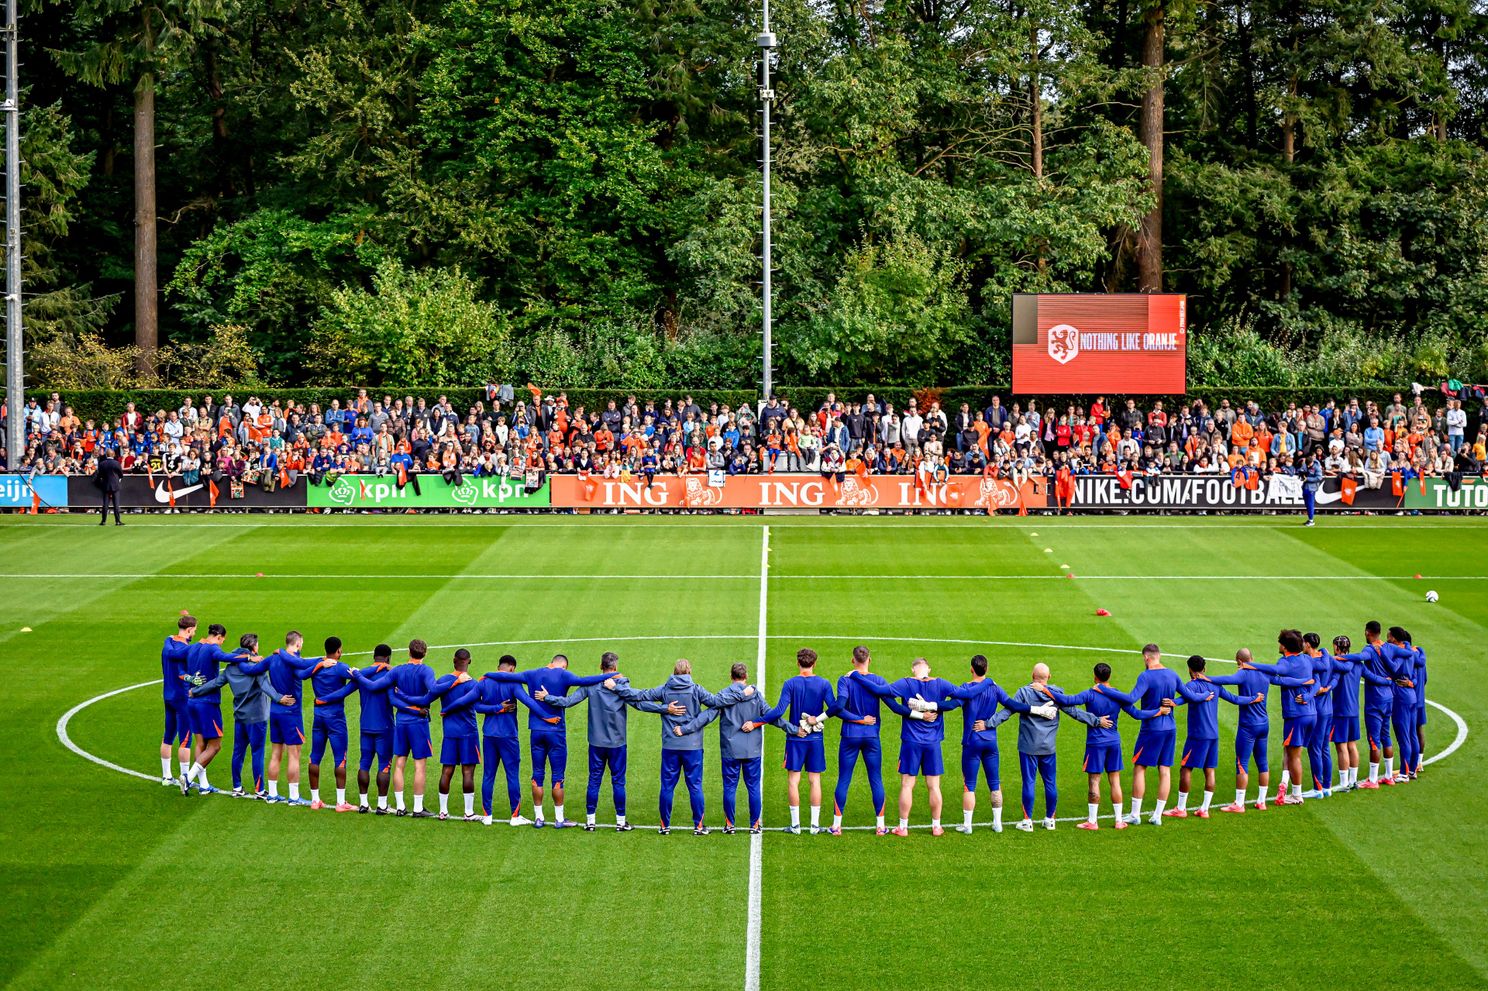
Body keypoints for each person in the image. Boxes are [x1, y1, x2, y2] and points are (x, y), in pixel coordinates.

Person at [852, 658, 1046, 836]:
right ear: (929, 668)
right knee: (935, 786)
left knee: (907, 785)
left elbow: (879, 691)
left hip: (911, 742)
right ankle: (937, 826)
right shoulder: (941, 683)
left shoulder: (905, 683)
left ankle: (903, 827)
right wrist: (987, 682)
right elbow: (965, 695)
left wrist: (855, 675)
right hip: (934, 742)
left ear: (913, 669)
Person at [537, 651, 678, 831]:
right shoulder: (621, 685)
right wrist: (666, 709)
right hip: (617, 744)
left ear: (600, 666)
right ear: (615, 667)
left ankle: (590, 822)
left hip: (596, 743)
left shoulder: (591, 684)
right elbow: (640, 704)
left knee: (594, 780)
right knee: (618, 782)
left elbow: (567, 702)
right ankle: (620, 822)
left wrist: (547, 697)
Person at [483, 653, 614, 828]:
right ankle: (559, 819)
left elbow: (506, 675)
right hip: (556, 731)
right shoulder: (564, 674)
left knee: (537, 774)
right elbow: (585, 681)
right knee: (558, 776)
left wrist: (487, 674)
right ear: (563, 665)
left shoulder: (531, 674)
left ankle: (539, 818)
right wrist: (611, 675)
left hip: (536, 731)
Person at [755, 648, 872, 835]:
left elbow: (778, 711)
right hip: (815, 739)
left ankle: (795, 826)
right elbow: (836, 708)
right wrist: (859, 719)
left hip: (795, 738)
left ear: (797, 663)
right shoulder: (824, 684)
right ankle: (814, 826)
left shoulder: (790, 683)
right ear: (814, 663)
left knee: (793, 781)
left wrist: (757, 722)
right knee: (814, 780)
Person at [609, 659, 733, 835]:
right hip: (693, 747)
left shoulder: (665, 689)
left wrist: (616, 688)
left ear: (674, 672)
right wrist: (695, 724)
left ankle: (664, 826)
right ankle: (699, 827)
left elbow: (640, 695)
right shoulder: (696, 689)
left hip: (670, 746)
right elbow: (715, 704)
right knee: (695, 787)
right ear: (689, 672)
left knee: (667, 786)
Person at [1038, 663, 1163, 830]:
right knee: (1115, 780)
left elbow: (1067, 700)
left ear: (1095, 676)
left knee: (1094, 781)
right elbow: (1137, 714)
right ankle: (1119, 821)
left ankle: (1092, 821)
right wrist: (1158, 712)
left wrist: (1045, 689)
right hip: (1114, 742)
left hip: (1095, 744)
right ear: (1109, 676)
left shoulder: (1091, 694)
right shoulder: (1117, 695)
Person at [991, 663, 1101, 831]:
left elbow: (1006, 712)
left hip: (1028, 747)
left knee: (1029, 782)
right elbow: (1075, 712)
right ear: (1048, 677)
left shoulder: (1024, 692)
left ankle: (1027, 821)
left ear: (1032, 675)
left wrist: (988, 724)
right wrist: (1097, 721)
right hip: (1049, 747)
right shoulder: (1056, 694)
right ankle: (1050, 819)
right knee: (1050, 783)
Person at [679, 663, 782, 834]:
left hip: (730, 750)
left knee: (729, 787)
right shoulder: (755, 695)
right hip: (752, 750)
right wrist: (794, 730)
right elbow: (772, 716)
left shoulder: (724, 695)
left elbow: (707, 716)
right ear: (745, 676)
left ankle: (730, 825)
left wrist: (685, 728)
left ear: (730, 676)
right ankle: (754, 825)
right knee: (754, 787)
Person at [187, 633, 287, 797]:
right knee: (257, 752)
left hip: (240, 716)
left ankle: (237, 787)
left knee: (238, 752)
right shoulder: (257, 666)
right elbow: (265, 685)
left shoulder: (231, 667)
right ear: (254, 647)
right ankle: (260, 789)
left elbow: (214, 683)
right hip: (257, 717)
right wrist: (279, 698)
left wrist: (195, 691)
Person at [1165, 655, 1261, 818]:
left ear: (1189, 669)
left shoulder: (1191, 685)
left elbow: (1184, 698)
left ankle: (1181, 808)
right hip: (1213, 735)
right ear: (1205, 669)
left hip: (1197, 736)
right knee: (1209, 770)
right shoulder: (1214, 685)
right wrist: (1254, 698)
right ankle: (1205, 809)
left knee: (1186, 769)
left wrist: (1173, 702)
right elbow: (1235, 699)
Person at [829, 646, 910, 836]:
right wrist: (920, 715)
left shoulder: (845, 679)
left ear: (852, 660)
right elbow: (895, 707)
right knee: (876, 779)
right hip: (872, 736)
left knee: (844, 779)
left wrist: (857, 719)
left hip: (849, 735)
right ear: (869, 660)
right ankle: (880, 826)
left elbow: (839, 707)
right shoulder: (879, 681)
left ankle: (836, 826)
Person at [954, 654, 1037, 834]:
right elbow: (1012, 706)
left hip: (972, 741)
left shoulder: (966, 688)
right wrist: (1034, 709)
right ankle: (997, 823)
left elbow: (953, 703)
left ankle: (967, 825)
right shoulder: (994, 688)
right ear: (987, 669)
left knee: (969, 784)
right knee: (995, 782)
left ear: (971, 669)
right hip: (991, 741)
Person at [1236, 629, 1317, 805]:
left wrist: (1252, 665)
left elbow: (1273, 670)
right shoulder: (1307, 660)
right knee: (1290, 750)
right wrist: (1308, 691)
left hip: (1296, 714)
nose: (1278, 645)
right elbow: (1316, 679)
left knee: (1294, 755)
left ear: (1285, 646)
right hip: (1311, 712)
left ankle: (1296, 794)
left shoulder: (1287, 663)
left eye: (1280, 643)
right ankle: (1285, 783)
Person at [399, 649, 482, 820]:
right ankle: (468, 812)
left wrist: (402, 695)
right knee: (468, 772)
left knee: (447, 771)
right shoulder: (473, 683)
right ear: (470, 661)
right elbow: (479, 706)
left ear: (453, 660)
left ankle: (443, 811)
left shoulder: (443, 681)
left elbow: (424, 701)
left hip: (449, 733)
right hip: (468, 732)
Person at [471, 654, 552, 827]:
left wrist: (495, 708)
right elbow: (529, 702)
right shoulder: (513, 683)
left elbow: (476, 706)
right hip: (508, 737)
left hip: (489, 735)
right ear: (512, 669)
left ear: (498, 666)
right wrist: (547, 716)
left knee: (488, 775)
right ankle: (515, 817)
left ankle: (487, 816)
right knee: (512, 775)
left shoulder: (485, 682)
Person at [180, 623, 255, 795]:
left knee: (200, 743)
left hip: (192, 701)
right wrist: (248, 657)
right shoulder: (213, 649)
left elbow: (183, 671)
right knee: (215, 746)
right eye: (222, 640)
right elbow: (228, 657)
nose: (221, 643)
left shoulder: (192, 648)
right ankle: (189, 777)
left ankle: (204, 785)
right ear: (219, 637)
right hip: (208, 703)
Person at [1117, 644, 1183, 825]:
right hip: (1170, 728)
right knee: (1165, 770)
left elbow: (1131, 699)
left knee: (1140, 768)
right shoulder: (1172, 674)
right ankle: (1157, 816)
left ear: (1146, 657)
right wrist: (1174, 702)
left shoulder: (1145, 676)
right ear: (1158, 655)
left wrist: (1112, 694)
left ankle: (1135, 814)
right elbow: (1189, 695)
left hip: (1151, 729)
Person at [1209, 648, 1274, 811]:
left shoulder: (1243, 673)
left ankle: (1239, 804)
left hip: (1248, 725)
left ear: (1239, 661)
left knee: (1242, 762)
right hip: (1264, 723)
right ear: (1252, 657)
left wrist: (1206, 678)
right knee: (1262, 762)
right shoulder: (1264, 672)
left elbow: (1227, 679)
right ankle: (1262, 801)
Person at [264, 631, 321, 806]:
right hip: (291, 713)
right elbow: (303, 672)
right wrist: (321, 663)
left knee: (275, 753)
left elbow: (256, 674)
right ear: (298, 643)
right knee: (294, 754)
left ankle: (272, 794)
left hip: (274, 711)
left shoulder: (273, 658)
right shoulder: (292, 660)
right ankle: (294, 796)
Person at [304, 636, 359, 812]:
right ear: (339, 651)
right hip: (335, 718)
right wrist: (342, 692)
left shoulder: (315, 667)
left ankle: (315, 800)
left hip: (318, 716)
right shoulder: (340, 667)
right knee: (340, 757)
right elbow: (358, 680)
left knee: (315, 756)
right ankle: (341, 802)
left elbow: (300, 672)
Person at [388, 638, 438, 818]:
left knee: (399, 763)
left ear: (409, 652)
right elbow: (433, 691)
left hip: (401, 721)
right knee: (419, 766)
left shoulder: (397, 671)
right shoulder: (426, 671)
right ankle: (417, 808)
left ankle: (400, 806)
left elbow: (387, 694)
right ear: (425, 653)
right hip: (418, 724)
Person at [352, 644, 397, 813]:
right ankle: (382, 805)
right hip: (384, 726)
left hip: (365, 725)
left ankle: (363, 804)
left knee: (364, 763)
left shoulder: (362, 674)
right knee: (384, 765)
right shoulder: (389, 675)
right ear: (387, 658)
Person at [159, 614, 196, 786]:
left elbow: (170, 648)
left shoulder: (168, 642)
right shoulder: (185, 650)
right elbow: (182, 675)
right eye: (194, 630)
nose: (195, 633)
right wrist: (194, 680)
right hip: (182, 697)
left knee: (168, 735)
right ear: (189, 630)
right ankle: (185, 778)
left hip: (168, 695)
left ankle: (166, 776)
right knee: (185, 739)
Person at [1300, 633, 1338, 798]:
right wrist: (1329, 687)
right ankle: (1327, 787)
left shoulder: (1311, 662)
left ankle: (1318, 789)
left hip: (1318, 710)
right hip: (1329, 708)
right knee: (1324, 748)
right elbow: (1337, 675)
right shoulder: (1326, 657)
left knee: (1314, 748)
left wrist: (1321, 688)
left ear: (1307, 644)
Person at [93, 448, 123, 525]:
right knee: (116, 504)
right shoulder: (116, 463)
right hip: (115, 485)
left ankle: (103, 521)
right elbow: (121, 474)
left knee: (105, 504)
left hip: (105, 484)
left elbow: (99, 475)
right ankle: (117, 521)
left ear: (106, 455)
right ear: (113, 455)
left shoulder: (102, 463)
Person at [1302, 452, 1323, 525]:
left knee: (1310, 504)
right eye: (1307, 464)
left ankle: (1311, 520)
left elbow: (1319, 477)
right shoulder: (1305, 464)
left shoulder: (1317, 467)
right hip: (1305, 487)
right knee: (1307, 504)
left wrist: (1308, 479)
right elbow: (1301, 470)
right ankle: (1309, 519)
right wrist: (1301, 473)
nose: (1308, 466)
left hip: (1312, 488)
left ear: (1312, 462)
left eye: (1309, 464)